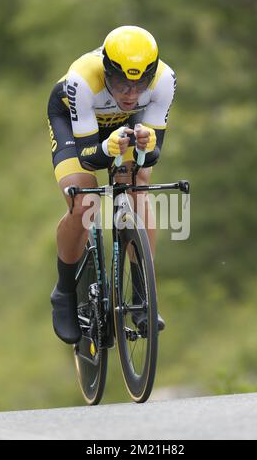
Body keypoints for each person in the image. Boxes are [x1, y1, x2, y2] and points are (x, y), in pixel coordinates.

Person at [47, 25, 177, 344]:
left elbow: (152, 155)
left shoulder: (164, 80)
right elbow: (90, 156)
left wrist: (146, 147)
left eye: (140, 84)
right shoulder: (81, 80)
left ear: (151, 76)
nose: (131, 94)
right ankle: (64, 292)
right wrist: (109, 148)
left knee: (138, 183)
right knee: (83, 203)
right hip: (76, 126)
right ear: (107, 71)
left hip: (125, 126)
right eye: (121, 83)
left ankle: (143, 293)